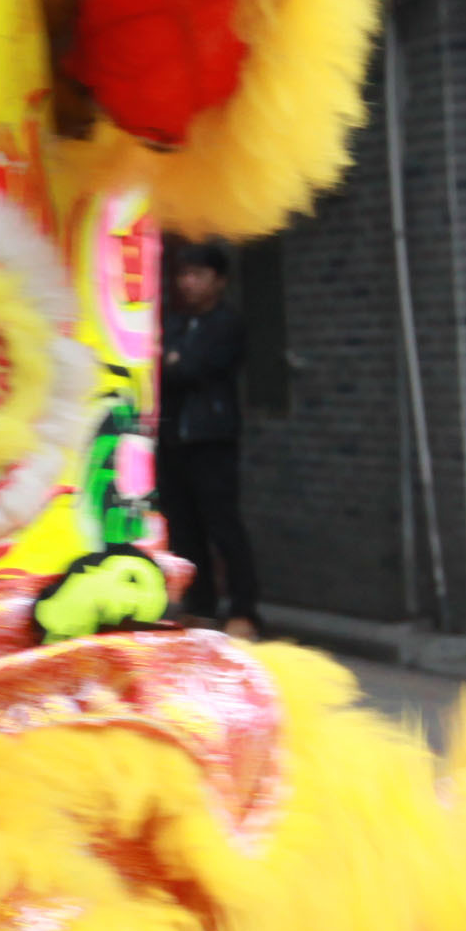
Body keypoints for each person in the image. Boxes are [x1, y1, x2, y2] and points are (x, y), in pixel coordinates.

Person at [155, 236, 259, 637]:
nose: (187, 283)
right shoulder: (176, 324)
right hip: (175, 441)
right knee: (184, 527)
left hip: (213, 440)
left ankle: (244, 609)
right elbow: (161, 367)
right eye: (182, 274)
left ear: (219, 280)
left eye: (197, 274)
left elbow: (191, 368)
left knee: (224, 526)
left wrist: (175, 361)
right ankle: (200, 605)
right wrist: (173, 361)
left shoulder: (227, 324)